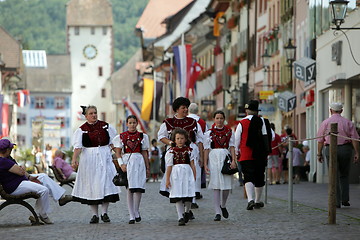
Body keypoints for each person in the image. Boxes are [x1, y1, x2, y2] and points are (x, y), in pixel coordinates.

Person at [0, 139, 72, 224]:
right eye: (11, 148)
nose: (12, 150)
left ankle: (61, 198)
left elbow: (20, 170)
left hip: (20, 181)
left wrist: (30, 176)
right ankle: (42, 215)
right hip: (14, 187)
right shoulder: (3, 161)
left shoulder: (8, 158)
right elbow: (20, 171)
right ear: (7, 150)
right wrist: (22, 169)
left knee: (43, 176)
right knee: (43, 190)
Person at [71, 105, 120, 224]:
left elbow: (114, 143)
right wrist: (74, 159)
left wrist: (119, 157)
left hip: (104, 156)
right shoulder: (82, 130)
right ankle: (94, 215)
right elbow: (78, 147)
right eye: (91, 113)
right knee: (92, 185)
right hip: (89, 159)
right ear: (86, 116)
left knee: (106, 184)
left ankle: (104, 213)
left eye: (95, 113)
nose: (94, 115)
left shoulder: (105, 126)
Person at [157, 97, 203, 215]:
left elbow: (200, 139)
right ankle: (181, 209)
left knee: (190, 179)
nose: (186, 109)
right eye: (183, 107)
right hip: (175, 154)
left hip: (190, 153)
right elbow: (161, 136)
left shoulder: (193, 123)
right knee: (177, 180)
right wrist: (171, 143)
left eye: (187, 107)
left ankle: (188, 207)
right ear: (177, 109)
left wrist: (201, 156)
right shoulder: (168, 122)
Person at [317, 102, 359, 208]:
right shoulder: (348, 122)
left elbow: (320, 140)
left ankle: (336, 201)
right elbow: (355, 139)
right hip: (346, 149)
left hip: (330, 148)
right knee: (344, 174)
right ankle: (345, 199)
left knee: (333, 175)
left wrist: (319, 154)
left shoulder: (326, 122)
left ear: (331, 110)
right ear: (341, 110)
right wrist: (357, 152)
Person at [234, 100, 272, 210]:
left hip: (246, 154)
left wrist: (236, 152)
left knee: (248, 176)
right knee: (260, 176)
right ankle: (257, 200)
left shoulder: (242, 123)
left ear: (247, 111)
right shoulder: (263, 121)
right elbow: (269, 136)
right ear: (256, 111)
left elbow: (237, 139)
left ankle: (250, 199)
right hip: (260, 154)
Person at [113, 115, 150, 224]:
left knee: (138, 187)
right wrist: (121, 165)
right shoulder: (121, 137)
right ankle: (131, 214)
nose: (132, 125)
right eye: (130, 122)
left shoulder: (143, 136)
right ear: (127, 124)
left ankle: (136, 210)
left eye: (134, 122)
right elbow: (118, 153)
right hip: (127, 161)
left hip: (139, 161)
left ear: (137, 123)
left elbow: (144, 152)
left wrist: (147, 167)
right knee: (129, 187)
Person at [203, 110, 237, 221]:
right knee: (216, 185)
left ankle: (223, 205)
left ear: (224, 119)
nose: (219, 120)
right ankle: (217, 211)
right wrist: (205, 163)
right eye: (217, 118)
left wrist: (233, 160)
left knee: (226, 184)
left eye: (221, 118)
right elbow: (206, 149)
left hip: (225, 157)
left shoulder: (229, 131)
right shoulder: (209, 133)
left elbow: (232, 147)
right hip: (213, 158)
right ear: (214, 119)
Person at [165, 128, 196, 226]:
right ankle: (180, 216)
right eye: (177, 138)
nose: (180, 140)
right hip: (176, 174)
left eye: (182, 138)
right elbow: (169, 166)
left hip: (187, 173)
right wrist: (167, 179)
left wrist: (194, 176)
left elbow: (192, 164)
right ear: (174, 140)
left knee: (188, 194)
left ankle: (187, 211)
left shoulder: (189, 151)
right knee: (177, 195)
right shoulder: (171, 152)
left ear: (185, 139)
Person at [188, 103, 207, 203]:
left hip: (188, 147)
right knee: (197, 170)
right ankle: (196, 191)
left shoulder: (185, 120)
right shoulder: (202, 122)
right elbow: (204, 138)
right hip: (197, 147)